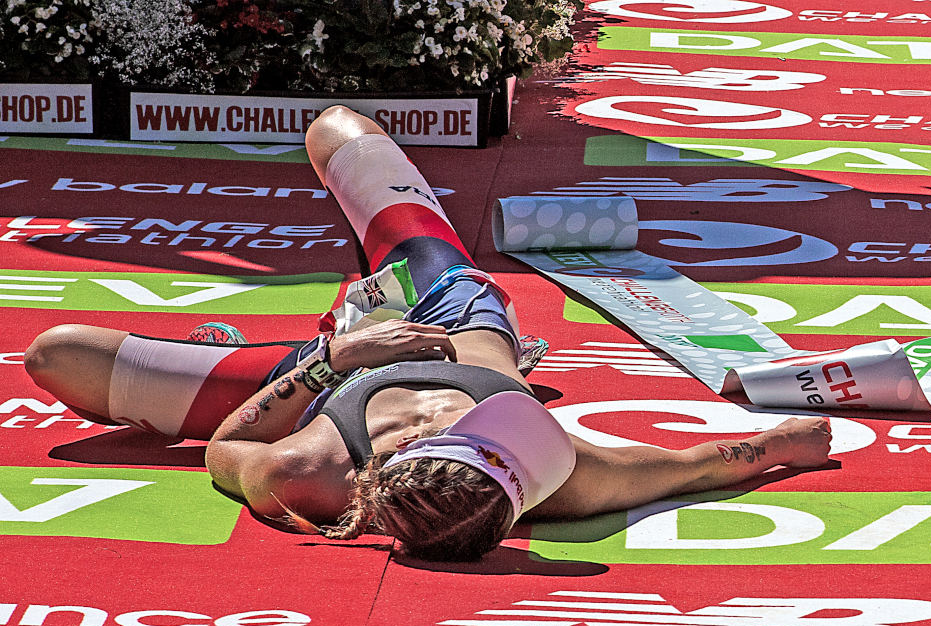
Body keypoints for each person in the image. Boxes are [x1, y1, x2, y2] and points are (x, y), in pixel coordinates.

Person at [25, 105, 832, 559]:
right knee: (340, 131)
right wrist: (786, 443)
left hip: (316, 377)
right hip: (452, 315)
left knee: (57, 356)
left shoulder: (302, 473)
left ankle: (243, 345)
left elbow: (223, 446)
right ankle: (480, 331)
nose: (453, 417)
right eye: (494, 433)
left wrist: (334, 359)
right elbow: (699, 467)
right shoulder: (571, 475)